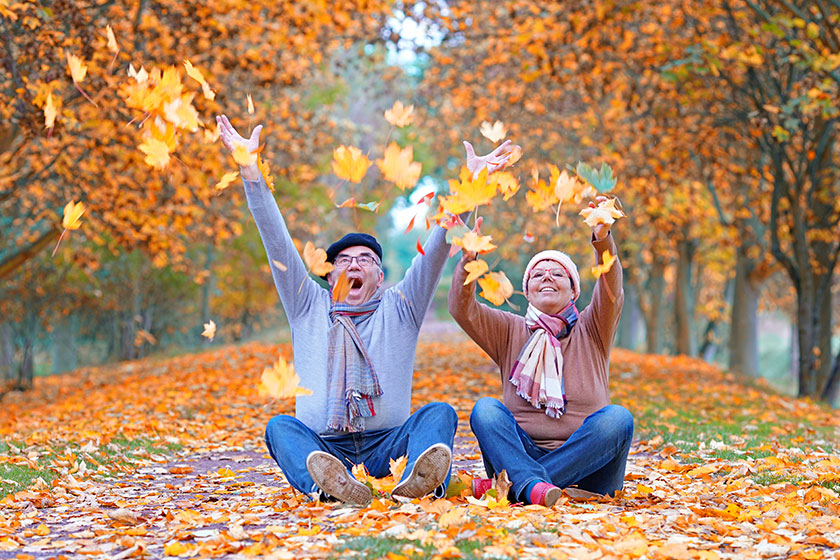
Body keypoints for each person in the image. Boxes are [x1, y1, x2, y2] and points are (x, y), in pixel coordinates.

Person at [216, 114, 514, 505]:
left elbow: (438, 247)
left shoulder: (401, 307)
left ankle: (417, 484)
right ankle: (325, 489)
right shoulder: (307, 304)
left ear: (380, 274)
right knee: (278, 427)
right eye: (343, 260)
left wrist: (470, 185)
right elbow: (277, 244)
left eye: (365, 259)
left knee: (439, 413)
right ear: (329, 273)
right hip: (324, 449)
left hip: (388, 446)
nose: (354, 265)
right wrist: (250, 171)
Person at [448, 208, 633, 507]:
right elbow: (462, 309)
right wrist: (468, 262)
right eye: (538, 274)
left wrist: (603, 241)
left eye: (558, 273)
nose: (547, 276)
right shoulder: (510, 330)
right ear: (528, 291)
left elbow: (611, 287)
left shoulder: (593, 326)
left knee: (618, 419)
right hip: (520, 453)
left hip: (591, 470)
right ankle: (534, 485)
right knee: (485, 410)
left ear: (573, 291)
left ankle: (519, 487)